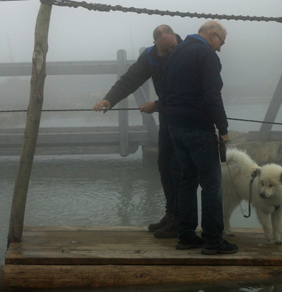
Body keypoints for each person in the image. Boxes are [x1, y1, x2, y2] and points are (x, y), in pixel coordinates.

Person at [93, 25, 182, 238]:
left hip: (187, 118)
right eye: (164, 50)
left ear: (175, 40)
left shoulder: (187, 51)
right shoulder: (151, 57)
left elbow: (188, 90)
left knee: (180, 170)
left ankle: (181, 222)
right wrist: (109, 99)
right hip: (168, 119)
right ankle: (171, 215)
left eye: (171, 48)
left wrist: (157, 105)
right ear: (155, 46)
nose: (168, 53)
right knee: (165, 167)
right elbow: (130, 79)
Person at [163, 20, 237, 255]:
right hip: (198, 128)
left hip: (174, 126)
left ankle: (185, 236)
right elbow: (212, 95)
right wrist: (223, 129)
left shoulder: (176, 52)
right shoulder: (206, 54)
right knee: (211, 185)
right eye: (221, 42)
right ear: (213, 35)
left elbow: (166, 90)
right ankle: (213, 241)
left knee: (186, 181)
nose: (220, 48)